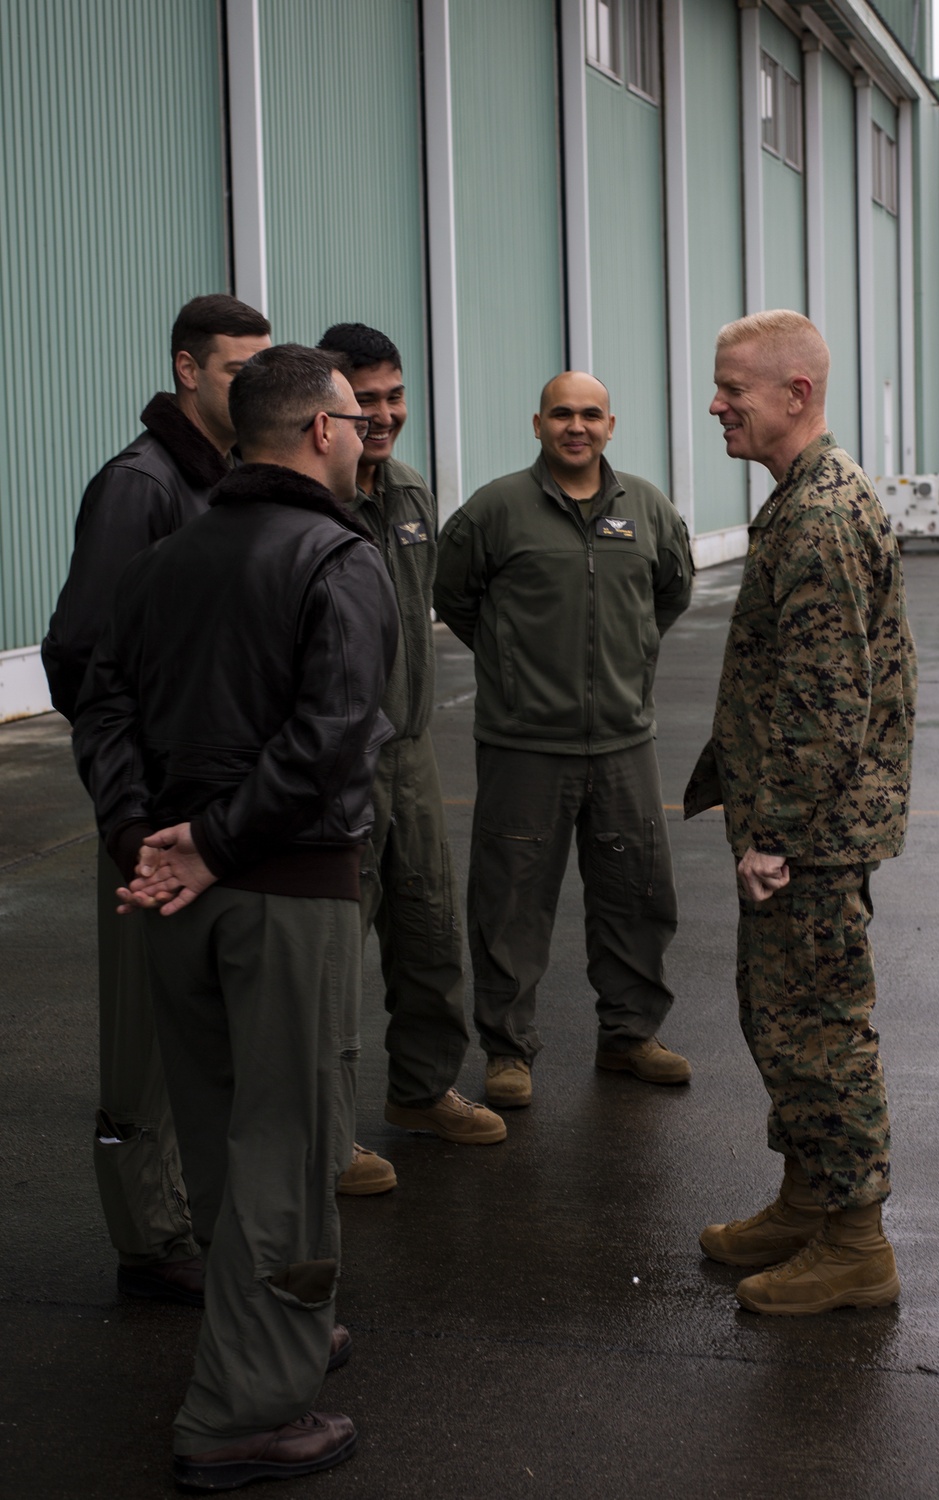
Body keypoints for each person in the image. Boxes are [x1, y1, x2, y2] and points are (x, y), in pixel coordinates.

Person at [73, 344, 398, 1487]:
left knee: (217, 1137)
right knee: (289, 1145)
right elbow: (334, 738)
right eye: (358, 420)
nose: (369, 437)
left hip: (178, 899)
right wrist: (208, 845)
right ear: (316, 431)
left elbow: (99, 705)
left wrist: (144, 840)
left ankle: (270, 1335)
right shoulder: (339, 558)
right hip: (282, 895)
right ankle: (242, 1413)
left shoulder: (165, 561)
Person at [685, 310, 917, 1315]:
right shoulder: (805, 498)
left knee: (818, 1032)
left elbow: (828, 701)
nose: (715, 404)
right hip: (809, 824)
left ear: (796, 395)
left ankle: (855, 1241)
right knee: (781, 1023)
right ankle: (809, 1197)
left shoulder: (820, 514)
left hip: (811, 835)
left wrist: (771, 832)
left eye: (732, 387)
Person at [42, 294, 271, 1304]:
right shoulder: (139, 487)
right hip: (150, 823)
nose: (253, 389)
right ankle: (151, 1237)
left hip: (214, 823)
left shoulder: (229, 485)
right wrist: (129, 814)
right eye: (236, 370)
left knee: (201, 1032)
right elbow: (83, 656)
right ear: (187, 369)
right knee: (143, 1042)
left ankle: (186, 1212)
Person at [434, 372, 694, 1109]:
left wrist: (631, 655)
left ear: (611, 424)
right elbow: (452, 593)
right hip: (524, 744)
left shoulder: (645, 507)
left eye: (589, 415)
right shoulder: (495, 509)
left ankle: (630, 1035)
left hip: (622, 744)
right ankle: (509, 1050)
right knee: (510, 900)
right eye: (561, 414)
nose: (575, 426)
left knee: (636, 894)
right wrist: (511, 663)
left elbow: (671, 590)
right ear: (538, 423)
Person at [317, 323, 505, 1189]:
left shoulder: (411, 494)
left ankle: (423, 1090)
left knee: (430, 929)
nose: (386, 415)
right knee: (327, 952)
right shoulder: (307, 499)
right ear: (331, 408)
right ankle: (320, 1134)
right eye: (368, 400)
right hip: (333, 763)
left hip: (412, 750)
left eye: (396, 397)